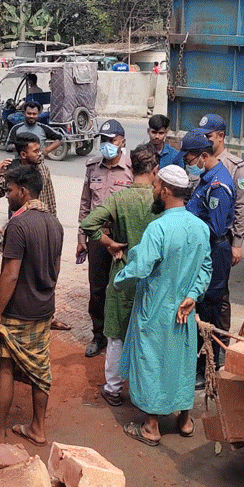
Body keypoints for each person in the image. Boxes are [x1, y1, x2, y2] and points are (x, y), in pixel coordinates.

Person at [114, 165, 212, 446]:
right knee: (181, 362)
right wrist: (194, 294)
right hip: (185, 310)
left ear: (166, 191)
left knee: (151, 363)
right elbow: (206, 267)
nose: (154, 190)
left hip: (155, 310)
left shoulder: (158, 228)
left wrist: (118, 280)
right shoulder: (200, 227)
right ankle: (184, 421)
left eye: (156, 186)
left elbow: (140, 267)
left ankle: (151, 426)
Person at [0, 164, 64, 446]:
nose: (7, 195)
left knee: (4, 365)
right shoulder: (54, 223)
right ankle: (38, 429)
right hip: (43, 309)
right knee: (40, 370)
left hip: (18, 310)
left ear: (23, 191)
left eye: (9, 190)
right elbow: (54, 271)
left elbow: (10, 273)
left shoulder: (18, 225)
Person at [80, 144, 160, 406]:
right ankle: (141, 389)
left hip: (123, 273)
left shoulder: (119, 199)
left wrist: (108, 243)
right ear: (154, 170)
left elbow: (88, 223)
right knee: (146, 336)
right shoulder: (161, 201)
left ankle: (113, 388)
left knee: (116, 335)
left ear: (131, 168)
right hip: (153, 277)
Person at [77, 120, 133, 359]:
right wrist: (81, 237)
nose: (106, 145)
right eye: (103, 140)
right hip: (99, 237)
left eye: (111, 140)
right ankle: (98, 335)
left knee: (124, 288)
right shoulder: (93, 167)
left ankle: (123, 336)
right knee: (97, 288)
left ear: (122, 142)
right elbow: (85, 204)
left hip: (123, 238)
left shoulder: (132, 167)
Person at [183, 129, 235, 382]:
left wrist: (186, 221)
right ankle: (198, 362)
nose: (190, 165)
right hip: (205, 250)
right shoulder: (206, 178)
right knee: (200, 305)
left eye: (191, 160)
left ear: (203, 155)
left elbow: (214, 227)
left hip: (215, 251)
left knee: (210, 310)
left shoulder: (218, 185)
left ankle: (208, 367)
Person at [198, 114, 244, 265]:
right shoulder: (197, 161)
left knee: (217, 286)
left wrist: (237, 244)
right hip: (197, 235)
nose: (204, 141)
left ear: (221, 136)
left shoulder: (235, 167)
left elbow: (242, 205)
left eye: (208, 136)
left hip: (220, 238)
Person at [0, 133, 57, 217]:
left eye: (39, 150)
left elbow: (50, 200)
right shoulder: (11, 172)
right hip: (19, 223)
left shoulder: (44, 170)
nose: (40, 154)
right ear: (23, 155)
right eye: (35, 151)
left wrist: (53, 220)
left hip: (41, 220)